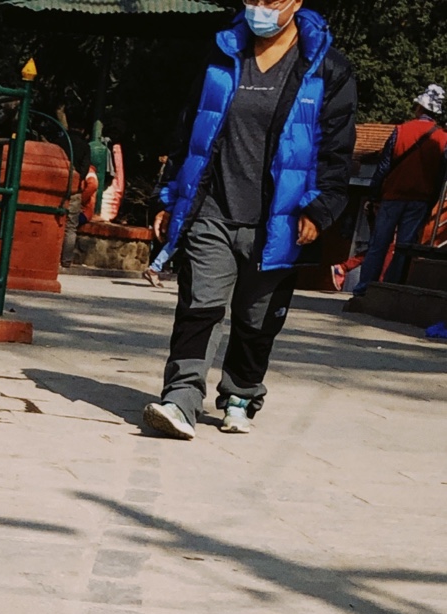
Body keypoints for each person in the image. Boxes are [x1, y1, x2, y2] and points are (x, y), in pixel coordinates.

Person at [142, 2, 356, 440]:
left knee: (256, 317)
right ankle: (180, 398)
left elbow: (336, 151)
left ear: (296, 3)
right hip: (212, 209)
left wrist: (319, 209)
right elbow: (190, 131)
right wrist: (168, 197)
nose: (260, 8)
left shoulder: (327, 68)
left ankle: (240, 393)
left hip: (279, 218)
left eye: (272, 0)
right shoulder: (223, 52)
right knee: (200, 305)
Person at [353, 84, 446, 295]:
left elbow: (384, 166)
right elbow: (441, 176)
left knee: (379, 244)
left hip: (392, 196)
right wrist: (431, 201)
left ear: (419, 108)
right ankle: (391, 289)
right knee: (404, 248)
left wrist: (374, 194)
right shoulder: (443, 139)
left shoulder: (400, 131)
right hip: (420, 200)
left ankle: (364, 289)